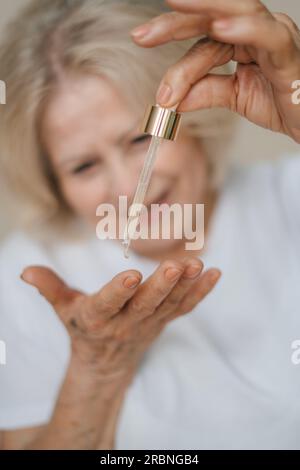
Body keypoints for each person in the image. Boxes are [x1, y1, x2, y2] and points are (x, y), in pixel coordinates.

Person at [0, 0, 299, 450]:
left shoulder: (288, 195)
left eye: (142, 137)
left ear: (197, 113)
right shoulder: (27, 273)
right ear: (54, 184)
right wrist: (99, 369)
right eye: (83, 166)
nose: (127, 188)